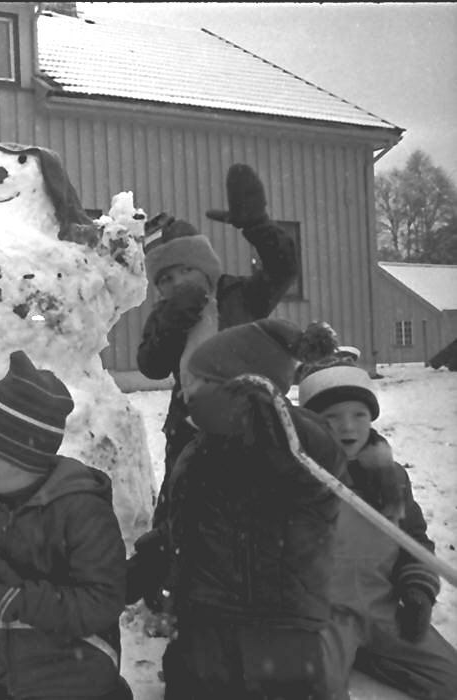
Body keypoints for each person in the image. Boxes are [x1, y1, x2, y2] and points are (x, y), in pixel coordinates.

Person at [128, 163, 299, 609]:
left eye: (178, 273)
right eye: (162, 280)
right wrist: (173, 315)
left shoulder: (242, 296)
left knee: (248, 505)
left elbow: (283, 267)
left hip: (249, 423)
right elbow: (149, 364)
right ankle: (171, 585)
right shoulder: (168, 315)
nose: (169, 285)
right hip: (188, 427)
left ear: (202, 266)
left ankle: (252, 586)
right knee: (182, 508)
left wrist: (258, 227)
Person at [0, 350, 132, 700]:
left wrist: (16, 600)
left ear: (14, 456)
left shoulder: (81, 511)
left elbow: (101, 603)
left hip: (72, 657)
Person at [160, 319, 348, 700]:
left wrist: (260, 411)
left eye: (197, 383)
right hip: (205, 622)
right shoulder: (202, 447)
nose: (185, 394)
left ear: (242, 389)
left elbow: (302, 452)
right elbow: (196, 520)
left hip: (277, 634)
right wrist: (160, 551)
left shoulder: (295, 442)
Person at [299, 359, 457, 700]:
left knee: (450, 678)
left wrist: (418, 590)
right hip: (324, 616)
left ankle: (370, 653)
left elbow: (413, 540)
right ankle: (346, 653)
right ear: (311, 424)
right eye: (331, 417)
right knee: (316, 690)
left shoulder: (391, 477)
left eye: (358, 414)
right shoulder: (298, 480)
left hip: (380, 608)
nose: (347, 426)